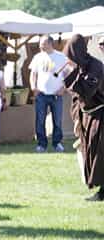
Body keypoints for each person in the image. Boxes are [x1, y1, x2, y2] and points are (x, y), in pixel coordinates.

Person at [63, 34, 104, 201]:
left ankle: (102, 192)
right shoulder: (82, 66)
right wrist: (77, 119)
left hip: (100, 116)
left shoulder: (95, 66)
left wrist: (70, 76)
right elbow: (76, 98)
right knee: (92, 152)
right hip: (89, 117)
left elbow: (86, 92)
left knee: (99, 154)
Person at [29, 35, 67, 153]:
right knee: (40, 120)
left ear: (50, 44)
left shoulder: (61, 57)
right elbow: (33, 74)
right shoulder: (37, 57)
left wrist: (64, 88)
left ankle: (57, 143)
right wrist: (33, 87)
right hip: (41, 94)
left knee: (57, 120)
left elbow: (69, 75)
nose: (40, 45)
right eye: (40, 43)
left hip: (57, 94)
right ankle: (42, 144)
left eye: (42, 43)